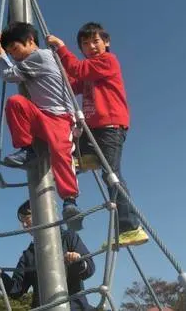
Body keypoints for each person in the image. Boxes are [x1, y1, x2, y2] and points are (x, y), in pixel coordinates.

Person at [46, 22, 149, 248]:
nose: (91, 46)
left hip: (110, 125)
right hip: (93, 130)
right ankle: (82, 170)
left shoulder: (107, 61)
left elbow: (78, 70)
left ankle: (131, 227)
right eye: (85, 43)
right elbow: (73, 85)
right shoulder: (90, 70)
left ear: (106, 42)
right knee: (66, 148)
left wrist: (62, 49)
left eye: (96, 41)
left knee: (111, 174)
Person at [0, 21, 82, 228]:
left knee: (61, 151)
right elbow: (13, 68)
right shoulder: (28, 59)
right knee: (16, 103)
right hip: (42, 115)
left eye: (16, 49)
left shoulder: (40, 57)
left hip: (61, 117)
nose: (15, 55)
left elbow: (9, 74)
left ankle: (70, 201)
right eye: (11, 52)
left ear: (31, 41)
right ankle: (28, 149)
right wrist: (1, 48)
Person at [0, 200, 96, 310]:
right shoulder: (28, 254)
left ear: (41, 215)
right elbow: (16, 289)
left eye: (27, 218)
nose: (24, 225)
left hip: (74, 306)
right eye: (22, 221)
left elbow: (89, 268)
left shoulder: (68, 237)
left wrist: (78, 261)